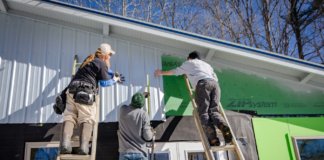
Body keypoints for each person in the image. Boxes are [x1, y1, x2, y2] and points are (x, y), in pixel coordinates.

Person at [154, 51, 232, 146]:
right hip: (215, 85)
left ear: (189, 57)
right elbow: (215, 78)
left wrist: (161, 72)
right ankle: (223, 126)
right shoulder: (207, 65)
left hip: (203, 85)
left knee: (203, 112)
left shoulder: (189, 63)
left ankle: (213, 139)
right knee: (214, 111)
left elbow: (176, 71)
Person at [60, 43, 124, 155]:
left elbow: (103, 70)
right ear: (105, 55)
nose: (110, 57)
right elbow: (104, 83)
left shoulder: (89, 60)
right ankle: (84, 147)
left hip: (71, 90)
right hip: (85, 93)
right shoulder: (102, 63)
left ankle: (65, 145)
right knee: (87, 118)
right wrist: (115, 79)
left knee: (70, 116)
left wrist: (112, 73)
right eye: (109, 55)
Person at [118, 92, 155, 160]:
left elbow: (130, 106)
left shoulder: (123, 109)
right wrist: (152, 132)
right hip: (140, 153)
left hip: (125, 152)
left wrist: (141, 96)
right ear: (141, 105)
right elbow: (148, 137)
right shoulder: (143, 115)